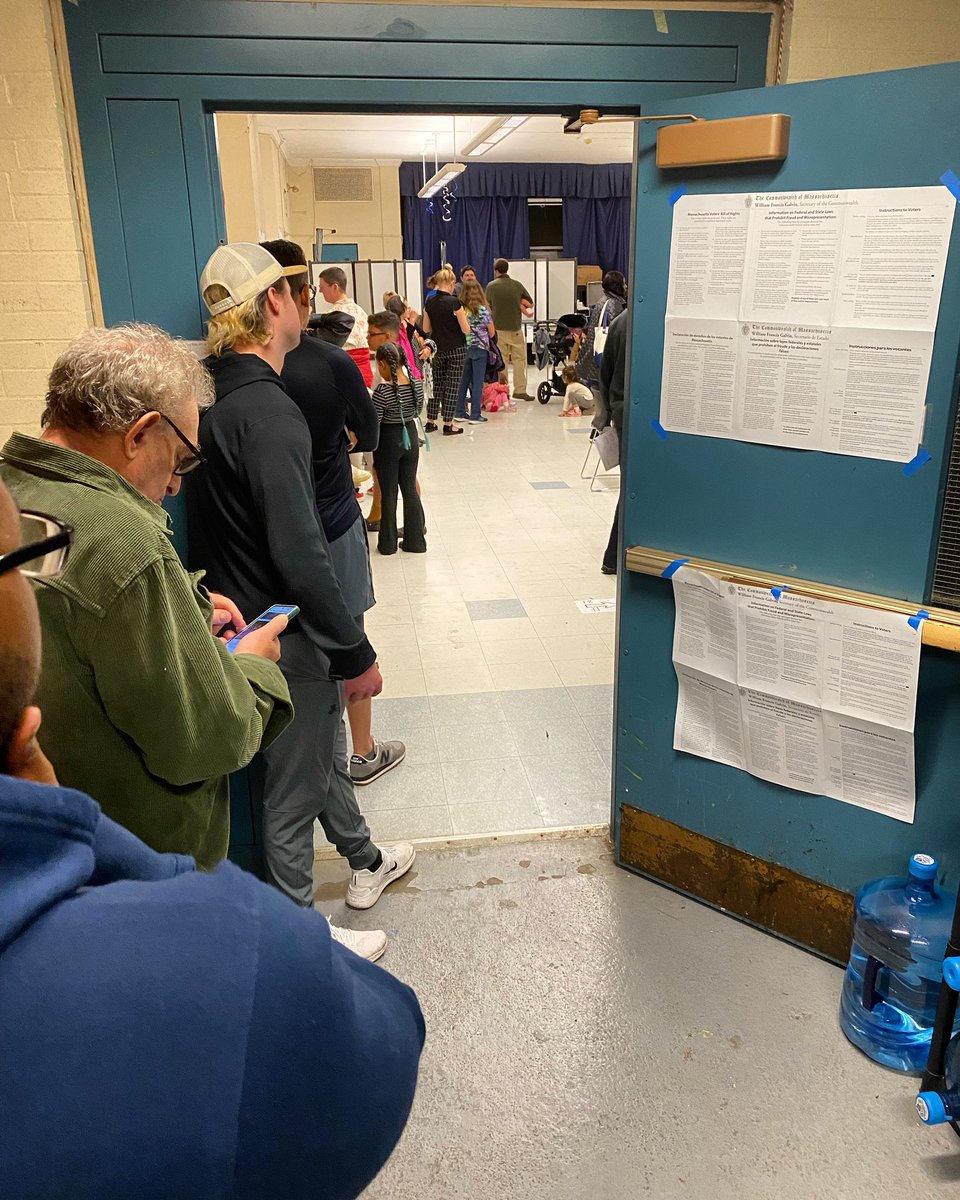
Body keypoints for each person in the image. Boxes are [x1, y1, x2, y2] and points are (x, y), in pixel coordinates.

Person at [0, 477, 425, 1197]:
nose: (177, 479)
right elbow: (385, 1048)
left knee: (321, 774)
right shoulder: (227, 949)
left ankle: (366, 855)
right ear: (28, 725)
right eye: (26, 558)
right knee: (300, 789)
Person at [185, 242, 414, 951]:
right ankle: (297, 943)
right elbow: (300, 550)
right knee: (288, 797)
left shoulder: (210, 397)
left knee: (314, 755)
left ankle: (366, 858)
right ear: (274, 305)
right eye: (293, 290)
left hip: (234, 623)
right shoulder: (272, 413)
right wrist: (354, 651)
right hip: (285, 633)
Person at [0, 324, 293, 868]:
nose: (179, 485)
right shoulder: (125, 543)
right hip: (139, 861)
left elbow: (72, 618)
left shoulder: (9, 493)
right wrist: (254, 668)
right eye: (182, 461)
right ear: (140, 434)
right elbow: (207, 739)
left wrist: (180, 612)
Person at [261, 240, 406, 791]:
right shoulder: (330, 362)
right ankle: (361, 753)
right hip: (334, 520)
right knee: (348, 632)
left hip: (270, 534)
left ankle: (303, 755)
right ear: (300, 295)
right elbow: (369, 432)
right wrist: (340, 439)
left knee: (287, 643)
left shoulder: (237, 375)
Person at [371, 342, 427, 557]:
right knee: (410, 489)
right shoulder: (416, 385)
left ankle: (387, 544)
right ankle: (415, 541)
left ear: (383, 364)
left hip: (389, 440)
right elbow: (417, 410)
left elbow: (376, 422)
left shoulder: (383, 391)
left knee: (389, 493)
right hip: (411, 437)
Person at [422, 267, 469, 436]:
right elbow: (465, 329)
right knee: (452, 386)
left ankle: (430, 421)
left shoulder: (429, 303)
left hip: (437, 349)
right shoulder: (455, 303)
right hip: (456, 348)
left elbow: (426, 328)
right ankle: (449, 423)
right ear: (450, 283)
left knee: (436, 384)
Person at [600, 308, 629, 575]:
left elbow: (604, 373)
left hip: (622, 416)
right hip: (648, 423)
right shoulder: (648, 324)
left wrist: (609, 412)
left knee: (630, 485)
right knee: (635, 487)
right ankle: (613, 556)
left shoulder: (619, 323)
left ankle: (613, 557)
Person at [579, 270, 628, 421]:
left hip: (590, 365)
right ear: (617, 286)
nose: (626, 287)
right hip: (600, 365)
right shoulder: (614, 304)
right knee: (608, 414)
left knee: (602, 413)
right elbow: (616, 335)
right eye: (624, 283)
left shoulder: (603, 300)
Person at [485, 257, 534, 401]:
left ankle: (503, 390)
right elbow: (530, 302)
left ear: (496, 271)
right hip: (516, 328)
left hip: (498, 329)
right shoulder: (517, 285)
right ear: (507, 269)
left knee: (502, 361)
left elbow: (486, 307)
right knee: (519, 360)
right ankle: (520, 390)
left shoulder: (491, 286)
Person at [318, 266, 373, 388]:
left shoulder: (332, 315)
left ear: (334, 287)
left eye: (322, 288)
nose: (321, 292)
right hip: (366, 370)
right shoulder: (361, 311)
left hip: (345, 370)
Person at [456, 279, 495, 424]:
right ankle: (475, 414)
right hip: (480, 349)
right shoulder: (484, 310)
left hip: (465, 348)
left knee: (463, 381)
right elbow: (491, 333)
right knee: (477, 382)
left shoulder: (461, 310)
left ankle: (459, 411)